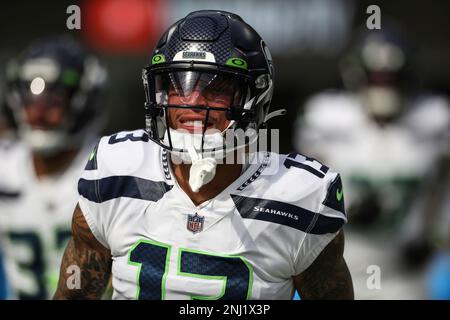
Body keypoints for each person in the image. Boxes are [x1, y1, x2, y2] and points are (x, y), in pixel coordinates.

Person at [54, 10, 353, 300]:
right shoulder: (116, 169)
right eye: (177, 85)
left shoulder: (299, 197)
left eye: (217, 88)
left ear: (254, 98)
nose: (193, 101)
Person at [294, 25, 450, 299]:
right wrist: (347, 211)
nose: (383, 85)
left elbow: (441, 186)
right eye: (377, 77)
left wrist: (434, 234)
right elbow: (301, 190)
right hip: (340, 267)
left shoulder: (433, 119)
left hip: (406, 273)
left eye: (391, 77)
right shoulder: (328, 118)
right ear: (357, 74)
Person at [0, 37, 107, 299]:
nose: (38, 111)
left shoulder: (109, 168)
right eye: (30, 95)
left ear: (84, 100)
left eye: (55, 97)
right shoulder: (6, 165)